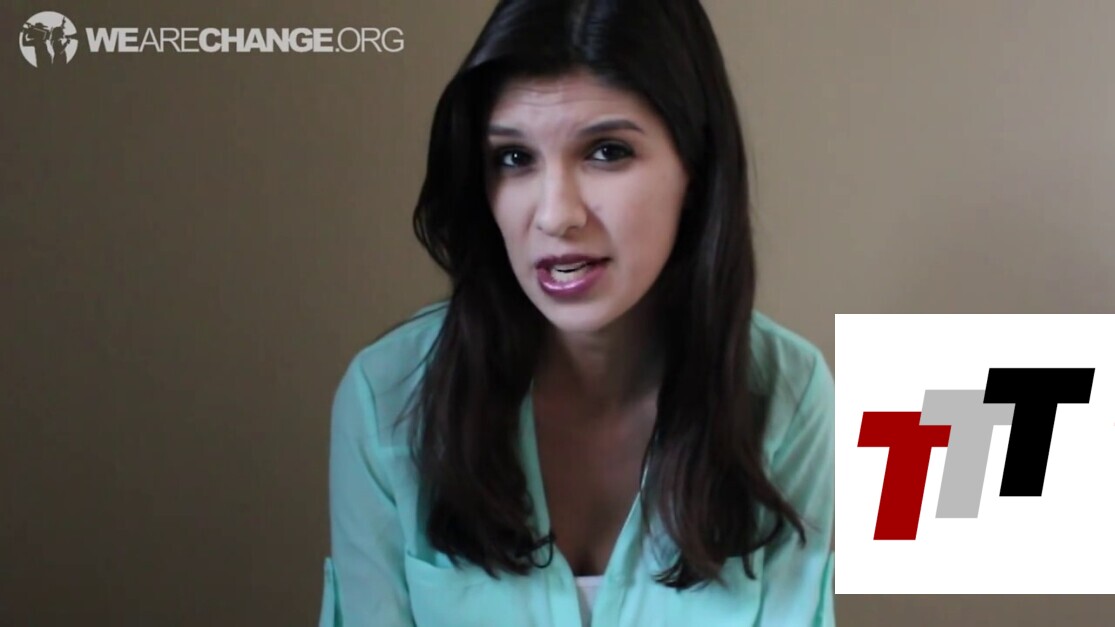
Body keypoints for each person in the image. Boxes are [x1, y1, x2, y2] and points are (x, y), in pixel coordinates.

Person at [318, 0, 835, 625]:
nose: (555, 214)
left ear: (694, 169)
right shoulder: (385, 399)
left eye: (607, 151)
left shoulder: (788, 397)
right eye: (515, 158)